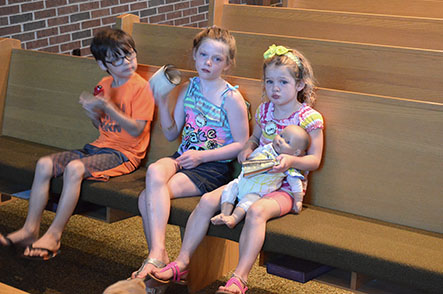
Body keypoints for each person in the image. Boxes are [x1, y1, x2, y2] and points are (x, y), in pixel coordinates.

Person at [150, 44, 324, 294]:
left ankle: (239, 278)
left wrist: (291, 161)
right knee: (209, 200)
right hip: (251, 178)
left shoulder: (309, 118)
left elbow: (314, 160)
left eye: (283, 82)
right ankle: (182, 262)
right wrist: (246, 150)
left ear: (299, 85)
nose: (274, 88)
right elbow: (253, 139)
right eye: (269, 82)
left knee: (257, 212)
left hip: (282, 187)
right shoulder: (265, 111)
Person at [0, 28, 155, 260]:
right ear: (104, 65)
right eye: (117, 59)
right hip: (97, 147)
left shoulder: (141, 87)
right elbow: (100, 126)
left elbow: (137, 129)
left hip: (124, 154)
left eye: (130, 55)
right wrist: (93, 112)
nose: (127, 62)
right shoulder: (104, 83)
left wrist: (110, 108)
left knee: (75, 169)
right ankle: (29, 229)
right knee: (44, 164)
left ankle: (54, 235)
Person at [130, 26, 249, 291]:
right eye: (203, 55)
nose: (208, 62)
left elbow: (241, 144)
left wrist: (202, 156)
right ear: (194, 55)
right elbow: (173, 133)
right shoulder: (188, 88)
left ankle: (157, 263)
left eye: (217, 59)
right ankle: (159, 254)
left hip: (213, 168)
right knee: (155, 172)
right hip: (185, 158)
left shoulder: (231, 98)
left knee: (144, 197)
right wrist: (161, 100)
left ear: (227, 64)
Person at [211, 125, 310, 229]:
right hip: (241, 181)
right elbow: (253, 155)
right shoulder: (266, 148)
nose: (280, 140)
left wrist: (298, 201)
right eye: (281, 135)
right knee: (230, 188)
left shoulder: (286, 165)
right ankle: (224, 214)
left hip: (257, 192)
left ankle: (234, 218)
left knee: (248, 202)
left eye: (287, 142)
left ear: (296, 152)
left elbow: (296, 183)